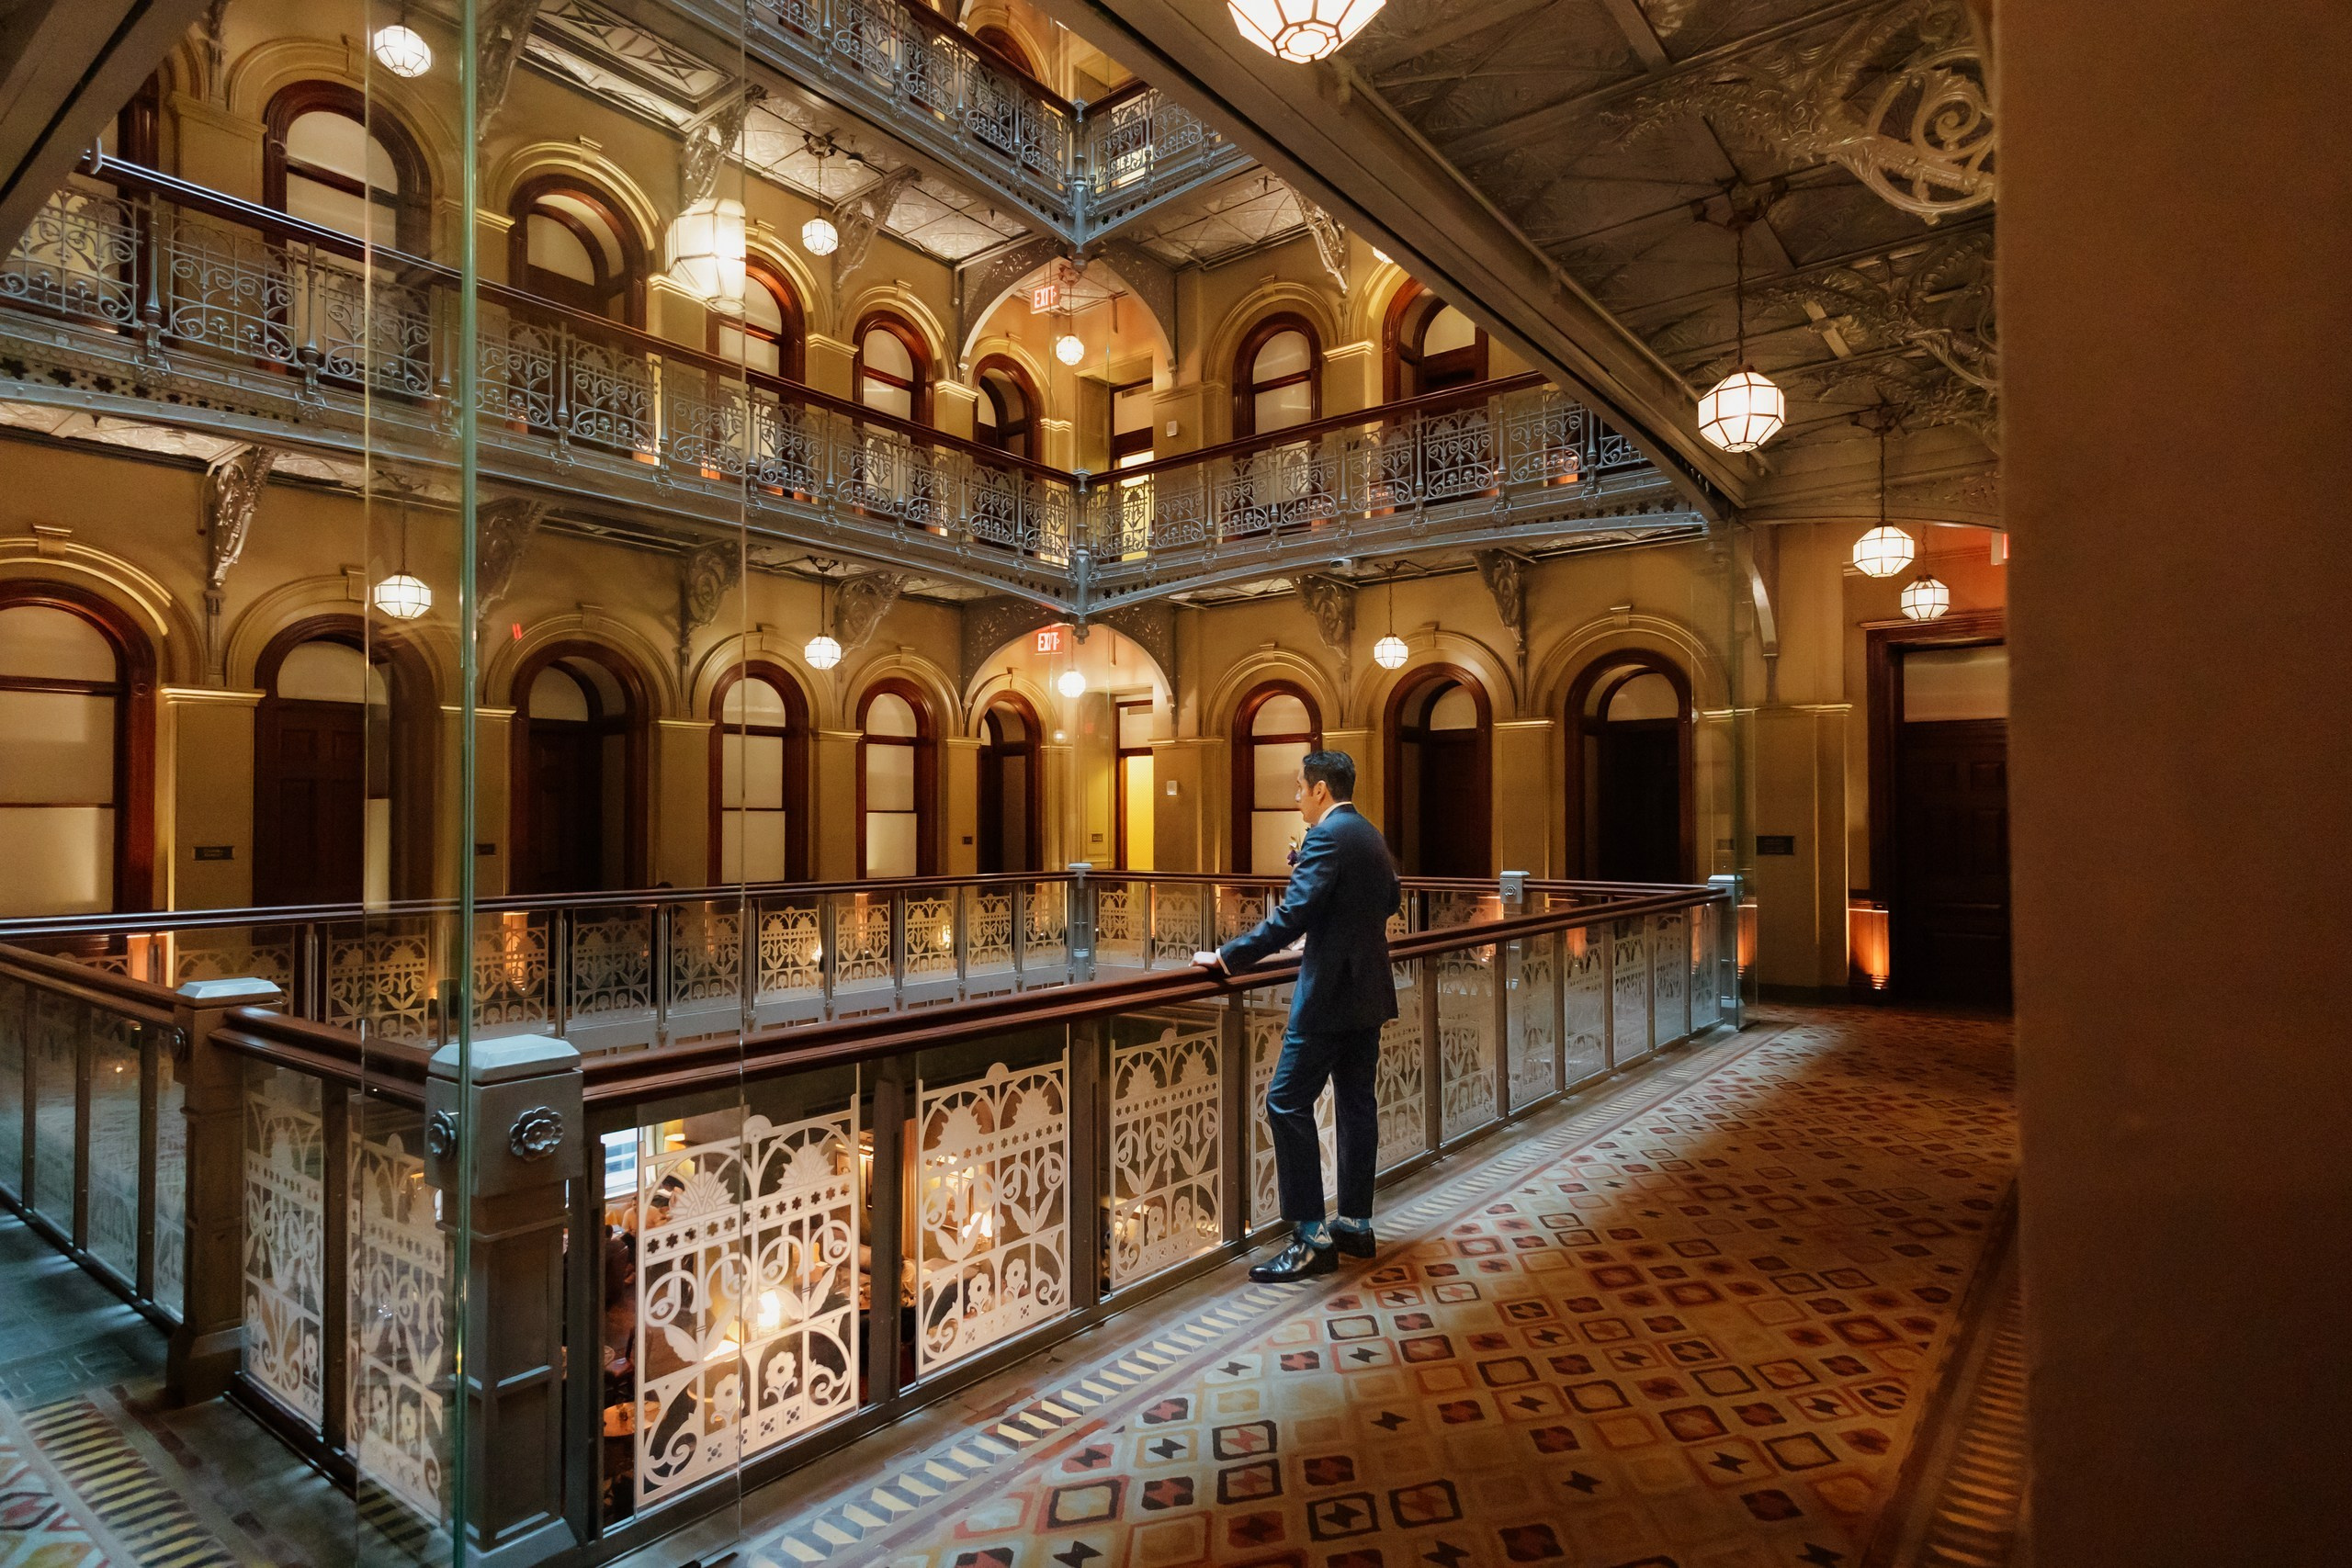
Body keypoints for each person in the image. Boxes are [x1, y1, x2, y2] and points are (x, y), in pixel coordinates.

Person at [1195, 750, 1399, 1281]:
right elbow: (1389, 900)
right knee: (1357, 1106)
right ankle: (1355, 1223)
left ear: (1320, 791)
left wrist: (1226, 956)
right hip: (1368, 993)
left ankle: (1311, 1237)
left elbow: (1291, 915)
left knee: (1285, 1102)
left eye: (1299, 789)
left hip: (1329, 997)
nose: (1296, 799)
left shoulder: (1325, 837)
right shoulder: (1369, 833)